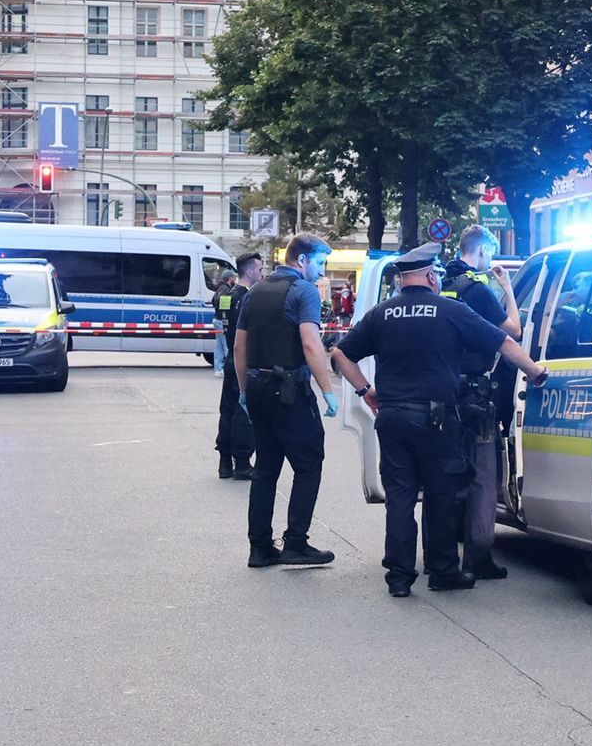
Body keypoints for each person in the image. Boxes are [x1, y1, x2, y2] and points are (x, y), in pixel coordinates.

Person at [332, 244, 547, 597]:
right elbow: (503, 340)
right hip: (437, 420)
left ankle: (399, 578)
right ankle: (443, 570)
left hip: (393, 417)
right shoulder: (450, 310)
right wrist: (535, 371)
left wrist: (365, 391)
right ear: (432, 276)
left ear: (402, 280)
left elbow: (340, 352)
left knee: (400, 498)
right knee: (440, 495)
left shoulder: (381, 313)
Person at [234, 234, 342, 568]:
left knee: (266, 468)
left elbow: (240, 348)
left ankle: (260, 547)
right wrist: (328, 390)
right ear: (302, 260)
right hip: (289, 391)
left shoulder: (256, 292)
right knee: (309, 463)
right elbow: (311, 344)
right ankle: (296, 542)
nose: (322, 272)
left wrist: (243, 392)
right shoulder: (303, 291)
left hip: (257, 389)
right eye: (320, 263)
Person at [440, 227, 522, 579]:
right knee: (483, 479)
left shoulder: (441, 285)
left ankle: (440, 557)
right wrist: (507, 287)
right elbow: (514, 332)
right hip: (475, 394)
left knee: (444, 476)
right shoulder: (479, 290)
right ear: (485, 250)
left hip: (442, 392)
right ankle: (478, 556)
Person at [214, 254, 264, 480]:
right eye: (260, 269)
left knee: (226, 410)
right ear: (251, 271)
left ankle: (224, 462)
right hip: (243, 358)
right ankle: (242, 462)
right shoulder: (249, 298)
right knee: (243, 412)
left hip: (230, 359)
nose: (262, 274)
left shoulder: (227, 295)